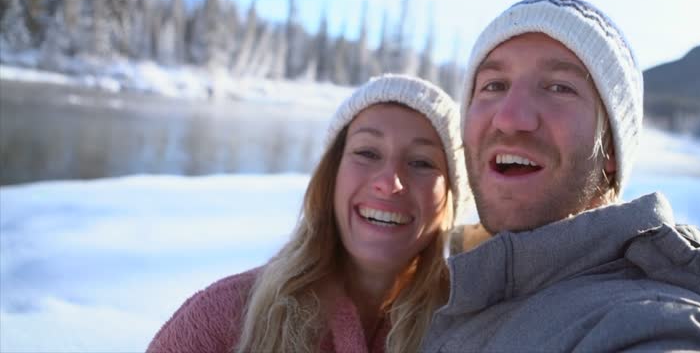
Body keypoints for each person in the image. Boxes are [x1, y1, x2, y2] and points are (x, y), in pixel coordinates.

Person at [424, 0, 700, 352]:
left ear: (612, 150)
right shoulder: (444, 286)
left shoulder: (652, 319)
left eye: (558, 87)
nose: (510, 118)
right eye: (493, 85)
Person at [147, 74, 469, 353]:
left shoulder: (471, 330)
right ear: (331, 177)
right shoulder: (225, 317)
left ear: (452, 197)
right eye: (367, 153)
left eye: (422, 162)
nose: (390, 182)